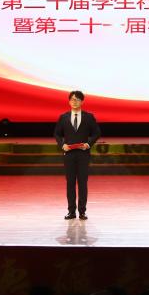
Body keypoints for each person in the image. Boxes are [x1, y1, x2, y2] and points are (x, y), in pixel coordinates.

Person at [54, 90, 101, 219]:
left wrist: (88, 144)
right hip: (69, 154)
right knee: (70, 183)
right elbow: (57, 133)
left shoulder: (89, 117)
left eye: (78, 99)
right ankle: (71, 211)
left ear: (82, 101)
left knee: (82, 183)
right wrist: (62, 145)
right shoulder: (63, 117)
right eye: (72, 99)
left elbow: (97, 133)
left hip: (83, 154)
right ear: (69, 101)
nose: (75, 102)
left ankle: (82, 211)